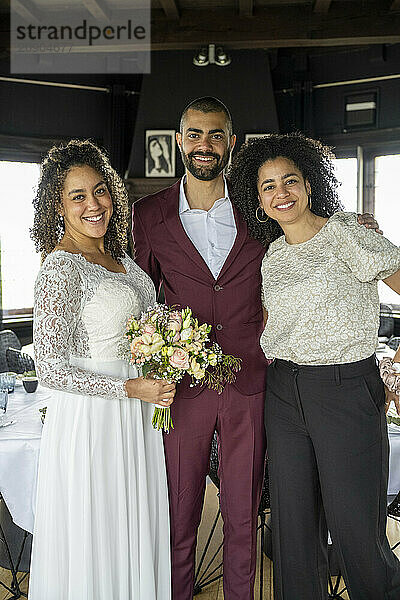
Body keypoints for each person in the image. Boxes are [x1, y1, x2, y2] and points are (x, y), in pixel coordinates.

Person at [132, 97, 379, 600]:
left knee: (244, 511)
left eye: (217, 134)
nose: (206, 145)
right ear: (180, 141)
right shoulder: (147, 215)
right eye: (196, 135)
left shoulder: (257, 209)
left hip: (253, 383)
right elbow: (138, 298)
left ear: (232, 142)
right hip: (181, 389)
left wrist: (357, 226)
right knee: (178, 509)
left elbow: (306, 237)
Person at [228, 131, 400, 600]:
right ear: (257, 199)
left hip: (345, 387)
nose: (280, 193)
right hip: (284, 390)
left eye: (290, 181)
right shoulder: (273, 257)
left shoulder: (348, 232)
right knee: (293, 526)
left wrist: (394, 371)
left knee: (354, 524)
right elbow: (273, 325)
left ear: (309, 184)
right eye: (268, 186)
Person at [29, 139, 174, 600]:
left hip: (137, 416)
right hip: (93, 420)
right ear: (58, 205)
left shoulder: (126, 263)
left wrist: (168, 356)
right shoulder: (60, 269)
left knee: (133, 521)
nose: (94, 205)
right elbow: (50, 367)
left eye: (100, 191)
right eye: (78, 196)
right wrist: (130, 386)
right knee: (99, 524)